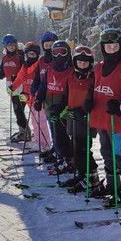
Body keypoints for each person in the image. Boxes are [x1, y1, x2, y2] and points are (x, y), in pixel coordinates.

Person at [82, 28, 121, 202]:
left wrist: (120, 107)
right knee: (106, 154)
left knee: (119, 156)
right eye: (108, 47)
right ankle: (113, 187)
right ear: (103, 47)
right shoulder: (98, 68)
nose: (111, 50)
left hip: (118, 123)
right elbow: (93, 88)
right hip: (102, 119)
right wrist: (88, 101)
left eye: (115, 47)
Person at [61, 45, 103, 192]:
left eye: (85, 62)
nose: (83, 64)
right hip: (72, 118)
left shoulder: (93, 79)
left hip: (86, 119)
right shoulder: (71, 78)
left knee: (83, 149)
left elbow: (93, 100)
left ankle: (92, 176)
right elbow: (66, 97)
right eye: (80, 62)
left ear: (90, 63)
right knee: (75, 148)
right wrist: (60, 109)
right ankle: (82, 174)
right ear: (75, 62)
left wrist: (82, 110)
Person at [33, 40, 74, 175]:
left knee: (63, 136)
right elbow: (43, 86)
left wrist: (64, 107)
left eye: (63, 52)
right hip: (49, 107)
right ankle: (60, 155)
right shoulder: (49, 69)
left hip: (63, 110)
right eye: (56, 52)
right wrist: (38, 99)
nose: (59, 55)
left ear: (68, 53)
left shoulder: (71, 71)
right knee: (55, 134)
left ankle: (68, 159)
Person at [0, 34, 31, 142]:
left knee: (19, 110)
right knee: (18, 111)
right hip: (11, 87)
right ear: (5, 47)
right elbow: (2, 73)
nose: (11, 47)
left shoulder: (20, 57)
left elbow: (26, 71)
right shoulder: (4, 58)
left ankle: (24, 133)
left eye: (13, 44)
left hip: (21, 87)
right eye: (9, 45)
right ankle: (24, 131)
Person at [11, 42, 52, 152]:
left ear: (37, 55)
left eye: (34, 54)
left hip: (38, 99)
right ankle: (38, 140)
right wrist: (12, 87)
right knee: (34, 122)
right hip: (29, 98)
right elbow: (20, 78)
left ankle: (45, 143)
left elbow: (40, 83)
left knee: (41, 121)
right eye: (29, 54)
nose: (31, 56)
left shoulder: (38, 65)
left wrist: (33, 96)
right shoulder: (25, 66)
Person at [31, 31, 59, 161]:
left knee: (59, 126)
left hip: (58, 97)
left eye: (51, 44)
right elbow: (37, 78)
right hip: (45, 98)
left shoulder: (59, 58)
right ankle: (55, 147)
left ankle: (60, 149)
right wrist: (33, 89)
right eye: (46, 45)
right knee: (50, 123)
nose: (48, 47)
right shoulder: (41, 61)